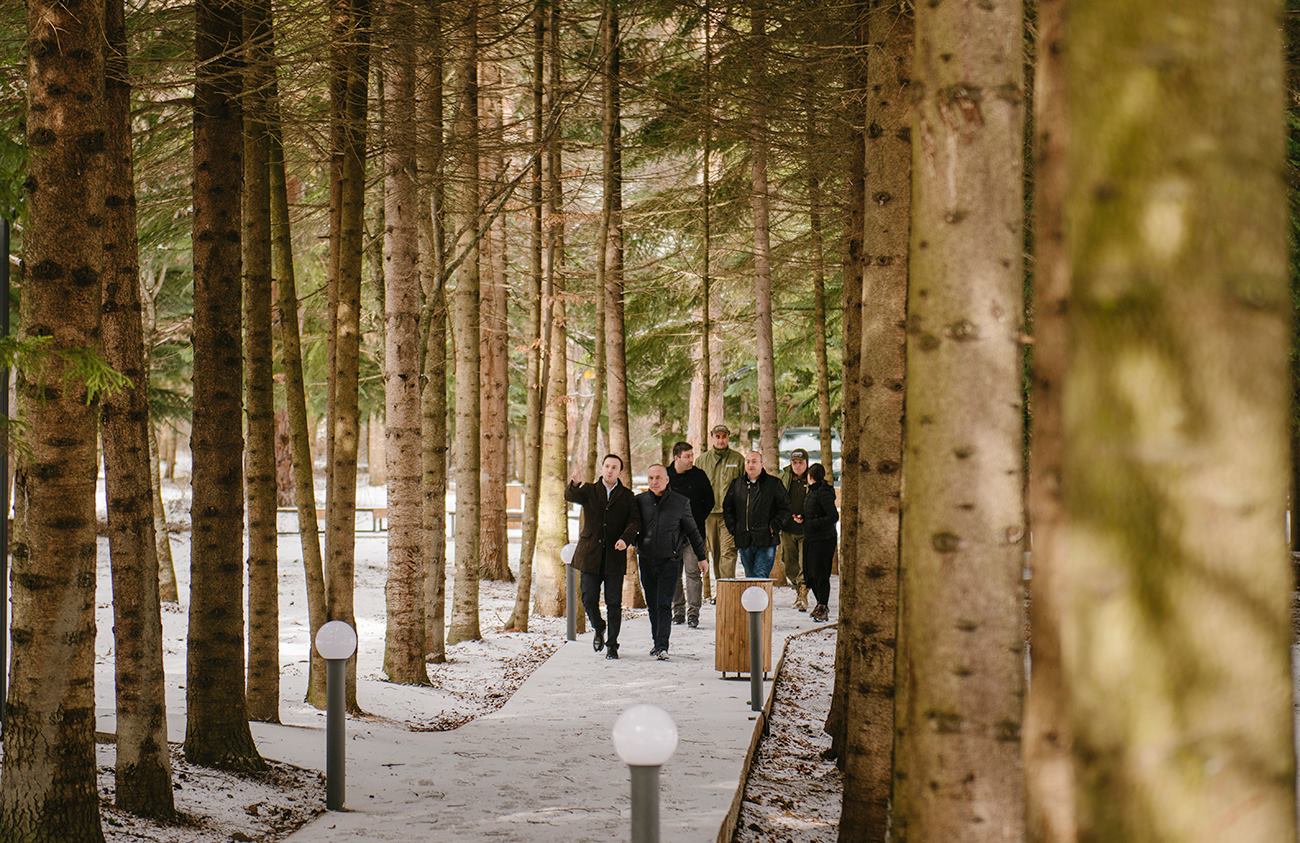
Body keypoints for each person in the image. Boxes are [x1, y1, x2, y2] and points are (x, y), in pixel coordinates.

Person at [566, 454, 641, 660]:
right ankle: (599, 627)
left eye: (614, 467)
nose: (610, 470)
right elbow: (570, 496)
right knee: (588, 598)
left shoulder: (627, 496)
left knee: (614, 603)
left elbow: (634, 522)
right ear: (602, 468)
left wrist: (625, 539)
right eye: (607, 466)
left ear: (620, 471)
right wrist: (575, 483)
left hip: (614, 556)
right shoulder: (590, 490)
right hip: (590, 554)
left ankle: (612, 645)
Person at [634, 464, 707, 660]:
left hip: (670, 560)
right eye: (650, 478)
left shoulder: (680, 502)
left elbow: (692, 531)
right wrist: (633, 543)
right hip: (646, 559)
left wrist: (701, 557)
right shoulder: (640, 501)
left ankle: (662, 646)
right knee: (652, 604)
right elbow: (632, 526)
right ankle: (656, 642)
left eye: (658, 477)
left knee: (664, 603)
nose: (654, 482)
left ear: (667, 480)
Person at [666, 441, 714, 627]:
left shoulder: (699, 475)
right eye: (687, 456)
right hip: (671, 535)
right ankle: (678, 611)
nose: (691, 459)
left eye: (692, 455)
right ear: (676, 458)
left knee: (693, 573)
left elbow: (709, 500)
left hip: (694, 533)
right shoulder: (666, 476)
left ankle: (693, 613)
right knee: (673, 574)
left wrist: (695, 519)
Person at [722, 450, 790, 579]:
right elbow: (728, 507)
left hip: (766, 540)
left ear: (761, 464)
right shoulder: (737, 484)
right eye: (748, 462)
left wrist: (774, 526)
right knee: (750, 578)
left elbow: (785, 508)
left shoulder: (773, 484)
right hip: (744, 539)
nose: (750, 465)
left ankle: (761, 593)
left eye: (754, 461)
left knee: (760, 577)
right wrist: (734, 528)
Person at [696, 424, 745, 593]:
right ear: (712, 437)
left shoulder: (738, 459)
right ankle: (718, 589)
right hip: (708, 515)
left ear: (728, 437)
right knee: (715, 553)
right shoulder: (701, 460)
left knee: (728, 552)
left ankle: (727, 591)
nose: (721, 440)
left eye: (724, 436)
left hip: (729, 515)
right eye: (717, 437)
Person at [802, 462, 839, 622]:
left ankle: (823, 605)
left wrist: (813, 523)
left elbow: (833, 516)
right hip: (811, 538)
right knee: (810, 574)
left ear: (810, 476)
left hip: (824, 539)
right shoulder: (812, 491)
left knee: (821, 574)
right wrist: (803, 518)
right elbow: (812, 512)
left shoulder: (823, 493)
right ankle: (820, 604)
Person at [778, 448, 811, 611]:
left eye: (801, 463)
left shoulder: (811, 478)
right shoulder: (785, 477)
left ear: (806, 463)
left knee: (804, 563)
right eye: (794, 462)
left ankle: (803, 594)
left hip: (806, 529)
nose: (797, 466)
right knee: (789, 563)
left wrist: (806, 516)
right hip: (787, 528)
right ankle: (798, 591)